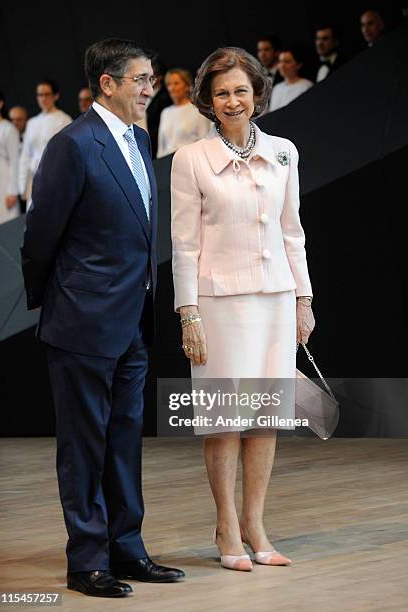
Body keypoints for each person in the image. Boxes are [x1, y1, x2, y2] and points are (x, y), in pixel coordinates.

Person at [20, 38, 184, 598]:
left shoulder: (139, 139)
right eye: (139, 79)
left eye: (150, 79)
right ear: (107, 84)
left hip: (134, 320)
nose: (149, 89)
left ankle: (127, 548)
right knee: (83, 446)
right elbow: (40, 236)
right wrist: (61, 301)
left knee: (123, 440)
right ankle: (86, 559)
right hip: (82, 322)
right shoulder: (73, 144)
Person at [171, 47, 315, 572]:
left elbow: (292, 232)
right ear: (208, 101)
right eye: (222, 92)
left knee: (266, 419)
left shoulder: (284, 152)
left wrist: (303, 298)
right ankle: (226, 525)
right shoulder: (191, 160)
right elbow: (183, 245)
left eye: (241, 91)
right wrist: (188, 313)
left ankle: (256, 525)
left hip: (275, 298)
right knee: (224, 420)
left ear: (257, 95)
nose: (233, 101)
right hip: (218, 305)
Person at [18, 78, 71, 209]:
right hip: (35, 177)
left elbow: (68, 154)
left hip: (56, 175)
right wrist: (22, 185)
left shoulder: (64, 120)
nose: (43, 98)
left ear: (55, 96)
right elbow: (25, 155)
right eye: (40, 95)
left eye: (47, 94)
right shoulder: (31, 123)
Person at [157, 68, 211, 158]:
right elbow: (161, 147)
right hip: (166, 165)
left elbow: (205, 141)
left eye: (176, 83)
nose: (172, 88)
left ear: (187, 86)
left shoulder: (198, 110)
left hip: (190, 161)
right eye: (169, 84)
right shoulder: (165, 112)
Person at [0, 88, 20, 227]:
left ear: (0, 104)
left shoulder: (9, 129)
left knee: (4, 226)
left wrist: (12, 191)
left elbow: (15, 162)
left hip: (3, 184)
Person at [269, 47, 313, 112]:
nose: (282, 65)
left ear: (298, 65)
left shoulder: (306, 86)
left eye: (287, 62)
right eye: (280, 61)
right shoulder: (276, 88)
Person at [146, 57, 172, 158]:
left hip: (158, 149)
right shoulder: (144, 95)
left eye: (150, 76)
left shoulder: (165, 98)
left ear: (159, 77)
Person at [9, 105, 28, 213]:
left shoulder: (30, 139)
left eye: (19, 119)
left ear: (26, 120)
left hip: (27, 187)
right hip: (10, 189)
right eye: (12, 120)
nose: (15, 123)